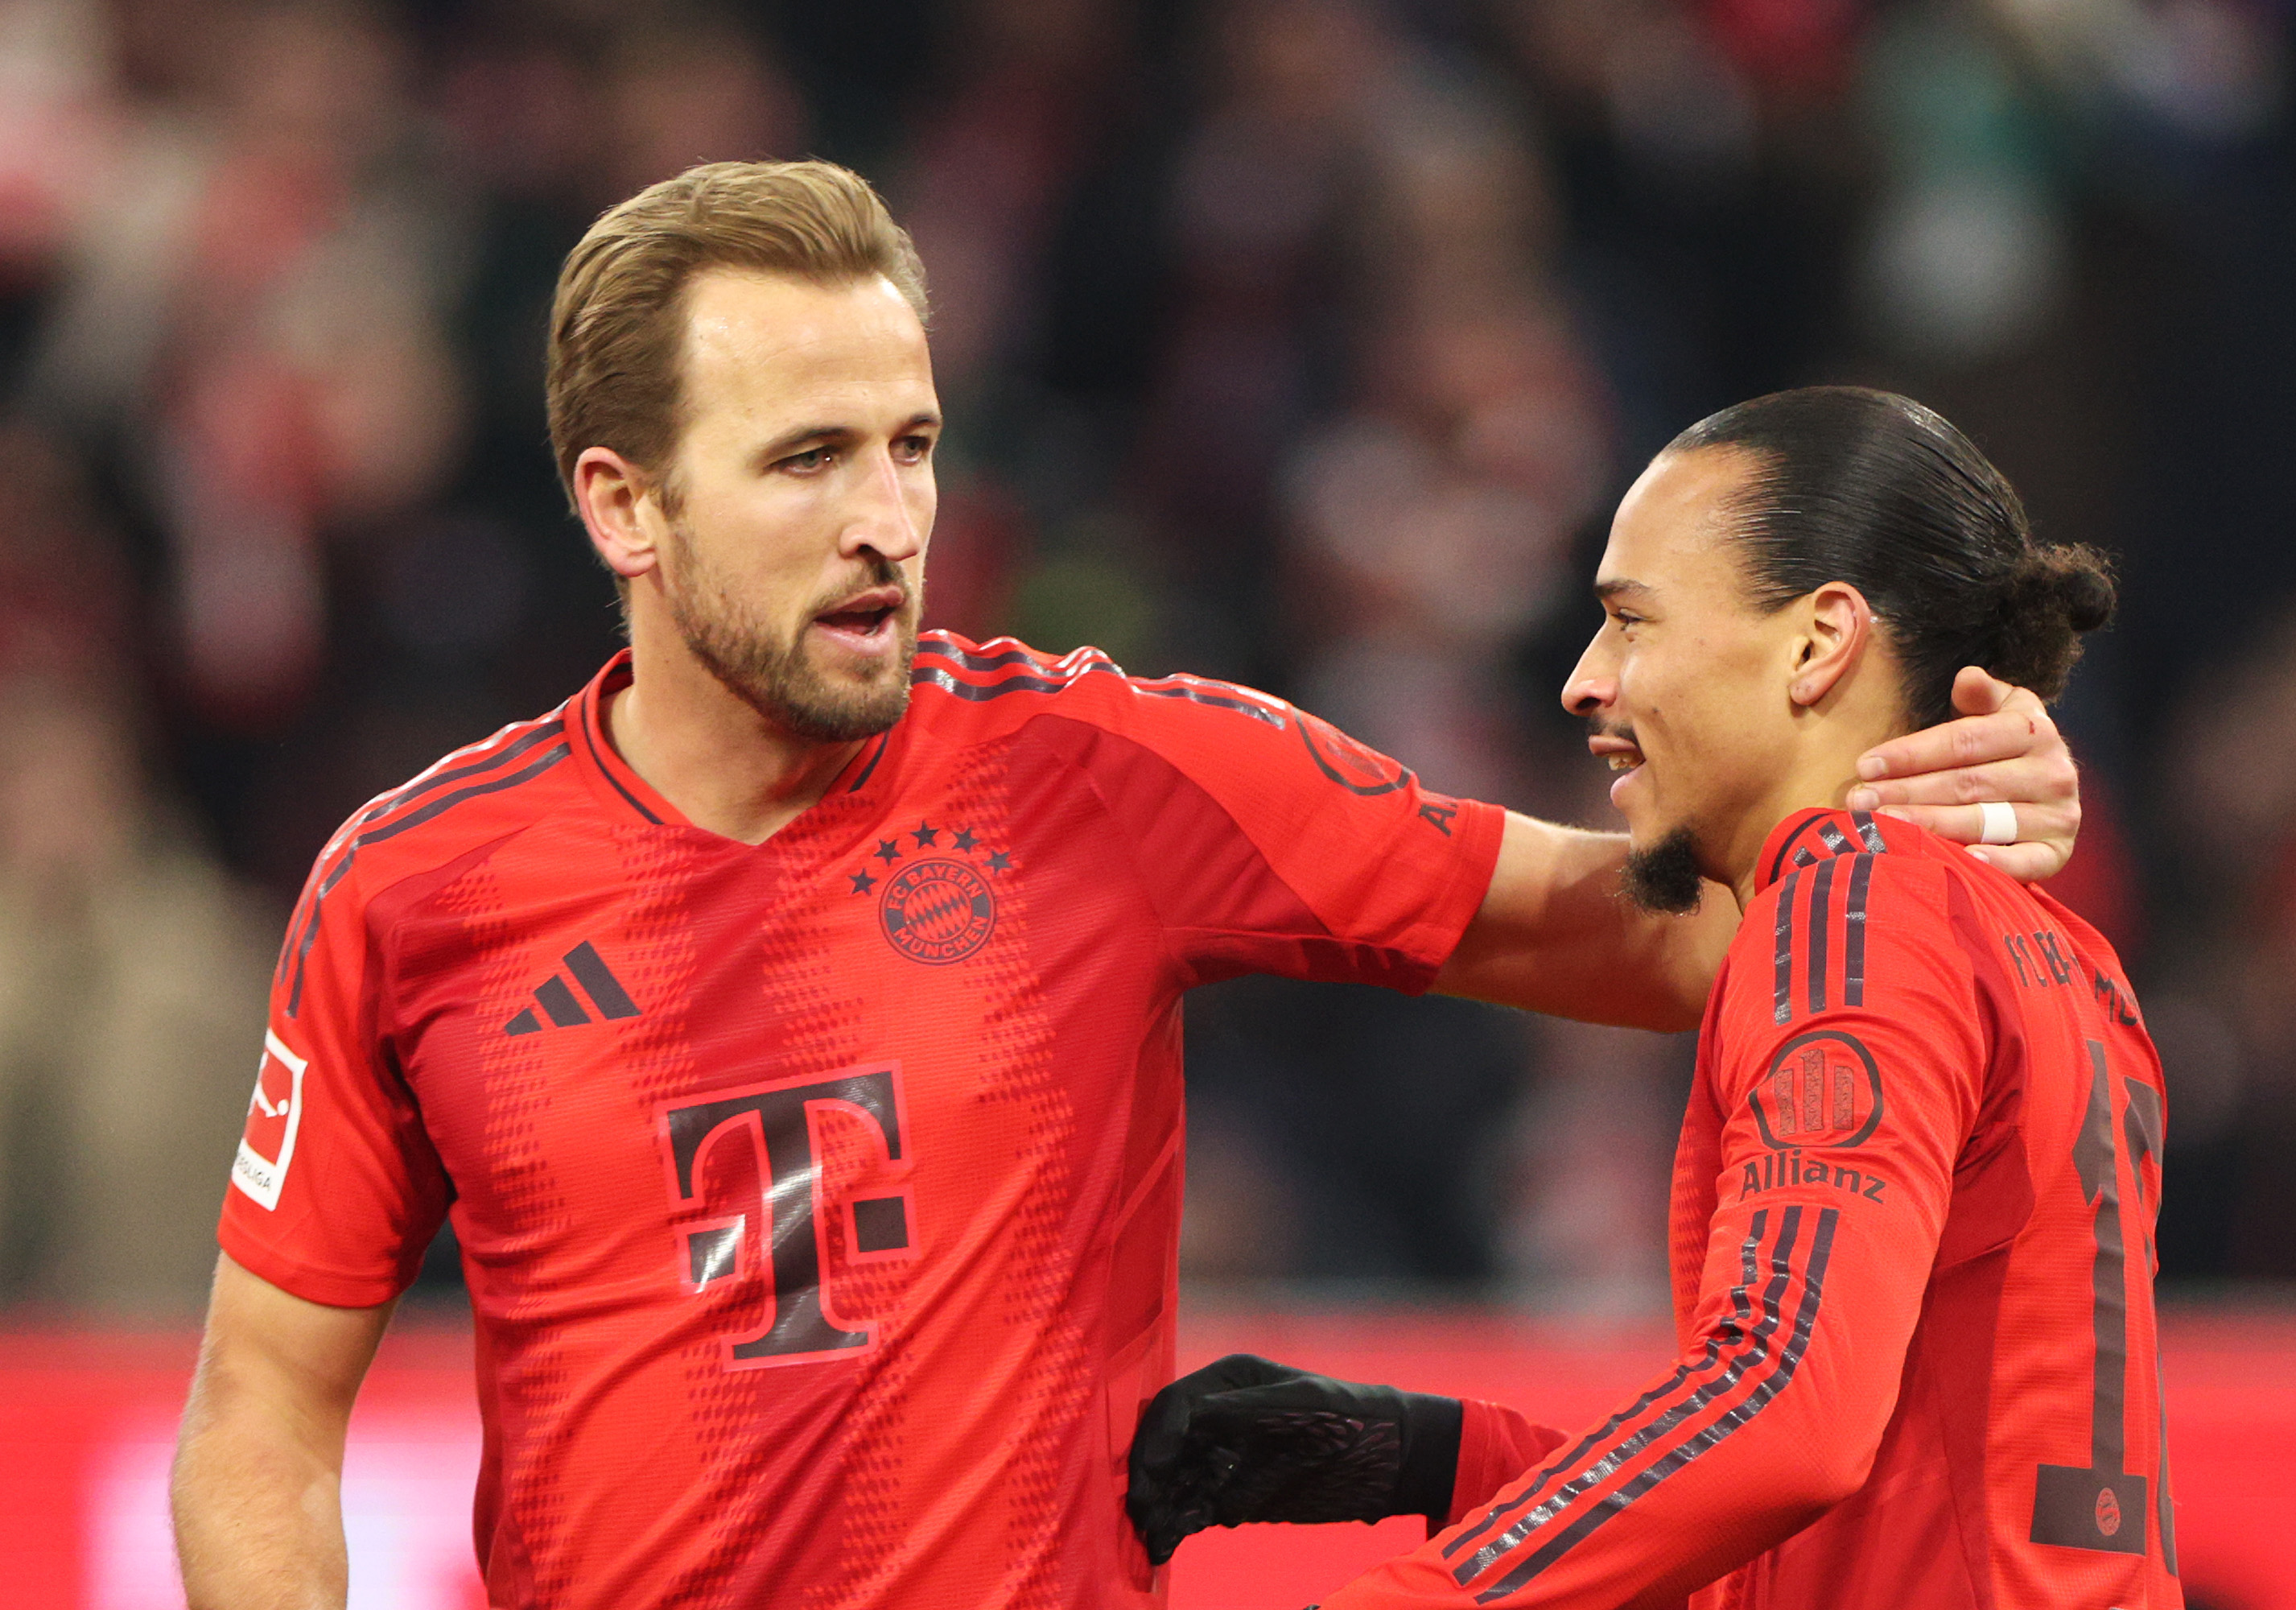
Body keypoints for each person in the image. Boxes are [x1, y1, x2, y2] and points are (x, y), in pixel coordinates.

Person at [169, 166, 2083, 1610]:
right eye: (809, 457)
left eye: (914, 443)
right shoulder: (417, 891)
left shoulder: (1109, 771)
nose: (889, 520)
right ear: (620, 506)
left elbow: (1673, 931)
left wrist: (1918, 801)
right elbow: (262, 1408)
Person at [1130, 387, 2178, 1610]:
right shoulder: (2068, 960)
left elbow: (1786, 1415)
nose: (1586, 682)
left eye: (1632, 621)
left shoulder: (1852, 904)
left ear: (1818, 643)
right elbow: (1874, 1495)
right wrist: (1440, 1454)